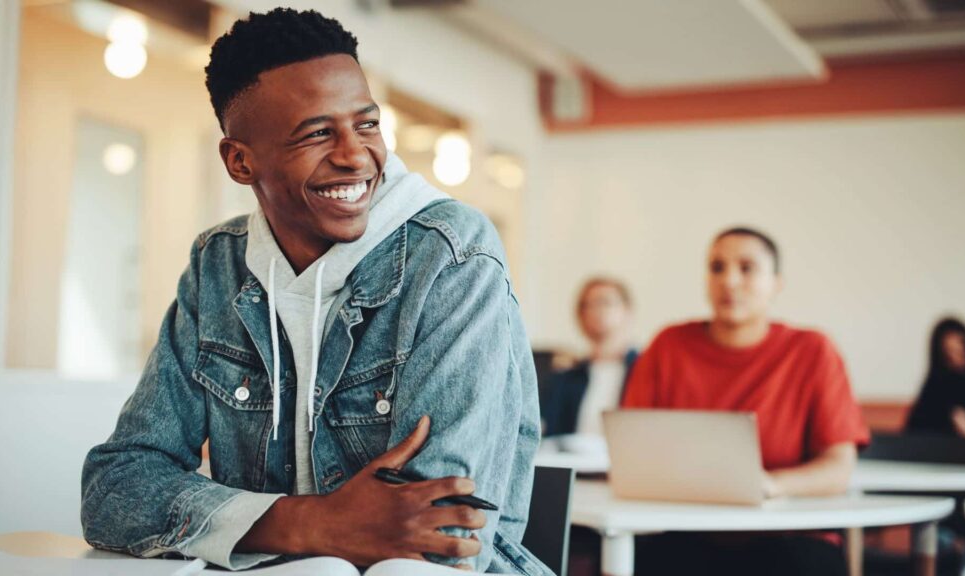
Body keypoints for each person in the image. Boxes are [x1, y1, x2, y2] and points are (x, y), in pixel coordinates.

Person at [80, 9, 548, 575]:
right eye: (317, 133)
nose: (355, 155)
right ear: (240, 161)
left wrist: (252, 524)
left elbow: (440, 535)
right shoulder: (218, 265)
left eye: (367, 124)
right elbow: (115, 488)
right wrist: (312, 523)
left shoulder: (451, 253)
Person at [621, 227, 870, 576]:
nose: (730, 281)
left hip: (790, 534)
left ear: (777, 283)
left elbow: (838, 468)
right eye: (717, 267)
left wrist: (772, 484)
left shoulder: (813, 351)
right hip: (687, 530)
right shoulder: (668, 345)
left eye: (747, 268)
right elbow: (633, 449)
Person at [543, 277, 638, 439]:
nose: (596, 311)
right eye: (587, 305)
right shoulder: (566, 377)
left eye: (605, 302)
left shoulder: (645, 370)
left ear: (627, 310)